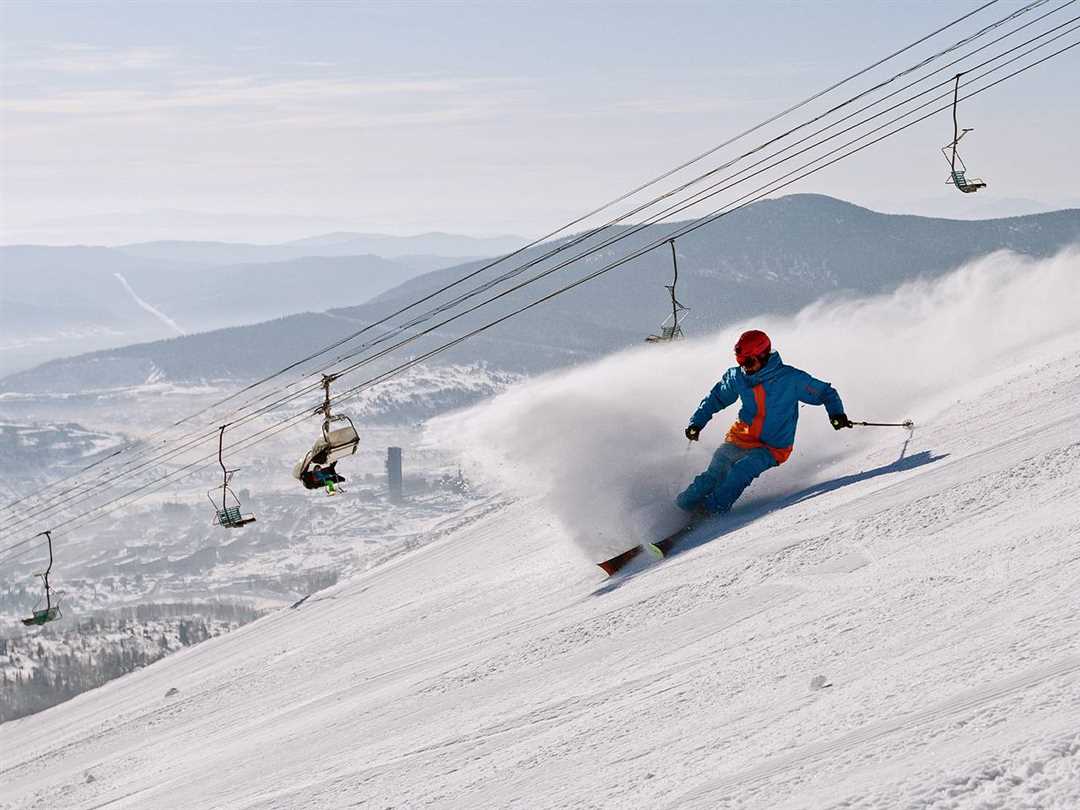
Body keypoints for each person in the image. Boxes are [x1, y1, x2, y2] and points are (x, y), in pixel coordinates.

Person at [677, 329, 852, 516]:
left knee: (742, 469)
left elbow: (826, 392)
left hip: (773, 446)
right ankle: (681, 506)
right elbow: (716, 398)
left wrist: (836, 414)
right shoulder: (738, 377)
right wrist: (697, 423)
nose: (745, 367)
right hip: (741, 437)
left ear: (763, 355)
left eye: (749, 361)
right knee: (716, 471)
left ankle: (711, 511)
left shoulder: (790, 379)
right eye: (741, 362)